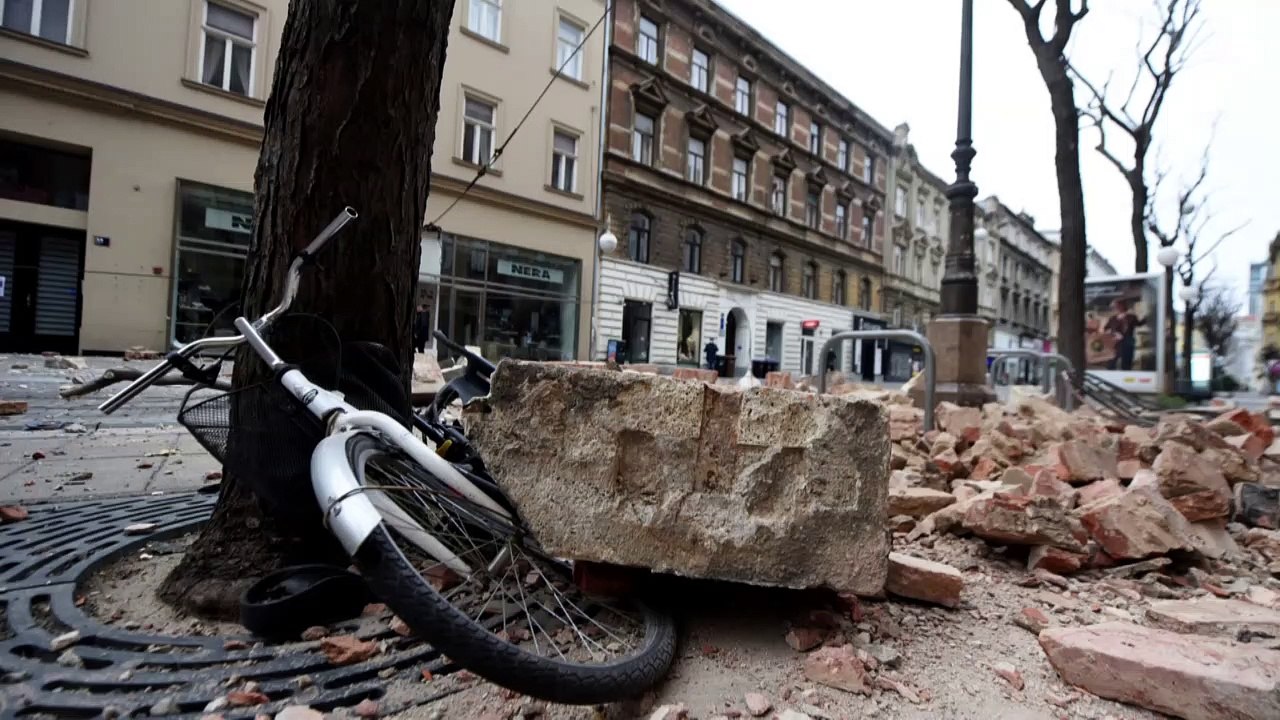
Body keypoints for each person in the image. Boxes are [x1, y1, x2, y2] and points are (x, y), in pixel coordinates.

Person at [1103, 298, 1141, 371]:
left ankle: (1126, 376)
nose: (1115, 308)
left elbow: (1139, 324)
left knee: (1127, 362)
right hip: (1115, 342)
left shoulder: (1132, 317)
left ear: (1123, 306)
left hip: (1128, 341)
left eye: (1117, 306)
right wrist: (1114, 333)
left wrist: (1149, 317)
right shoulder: (1112, 318)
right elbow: (1106, 329)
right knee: (1111, 362)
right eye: (1114, 307)